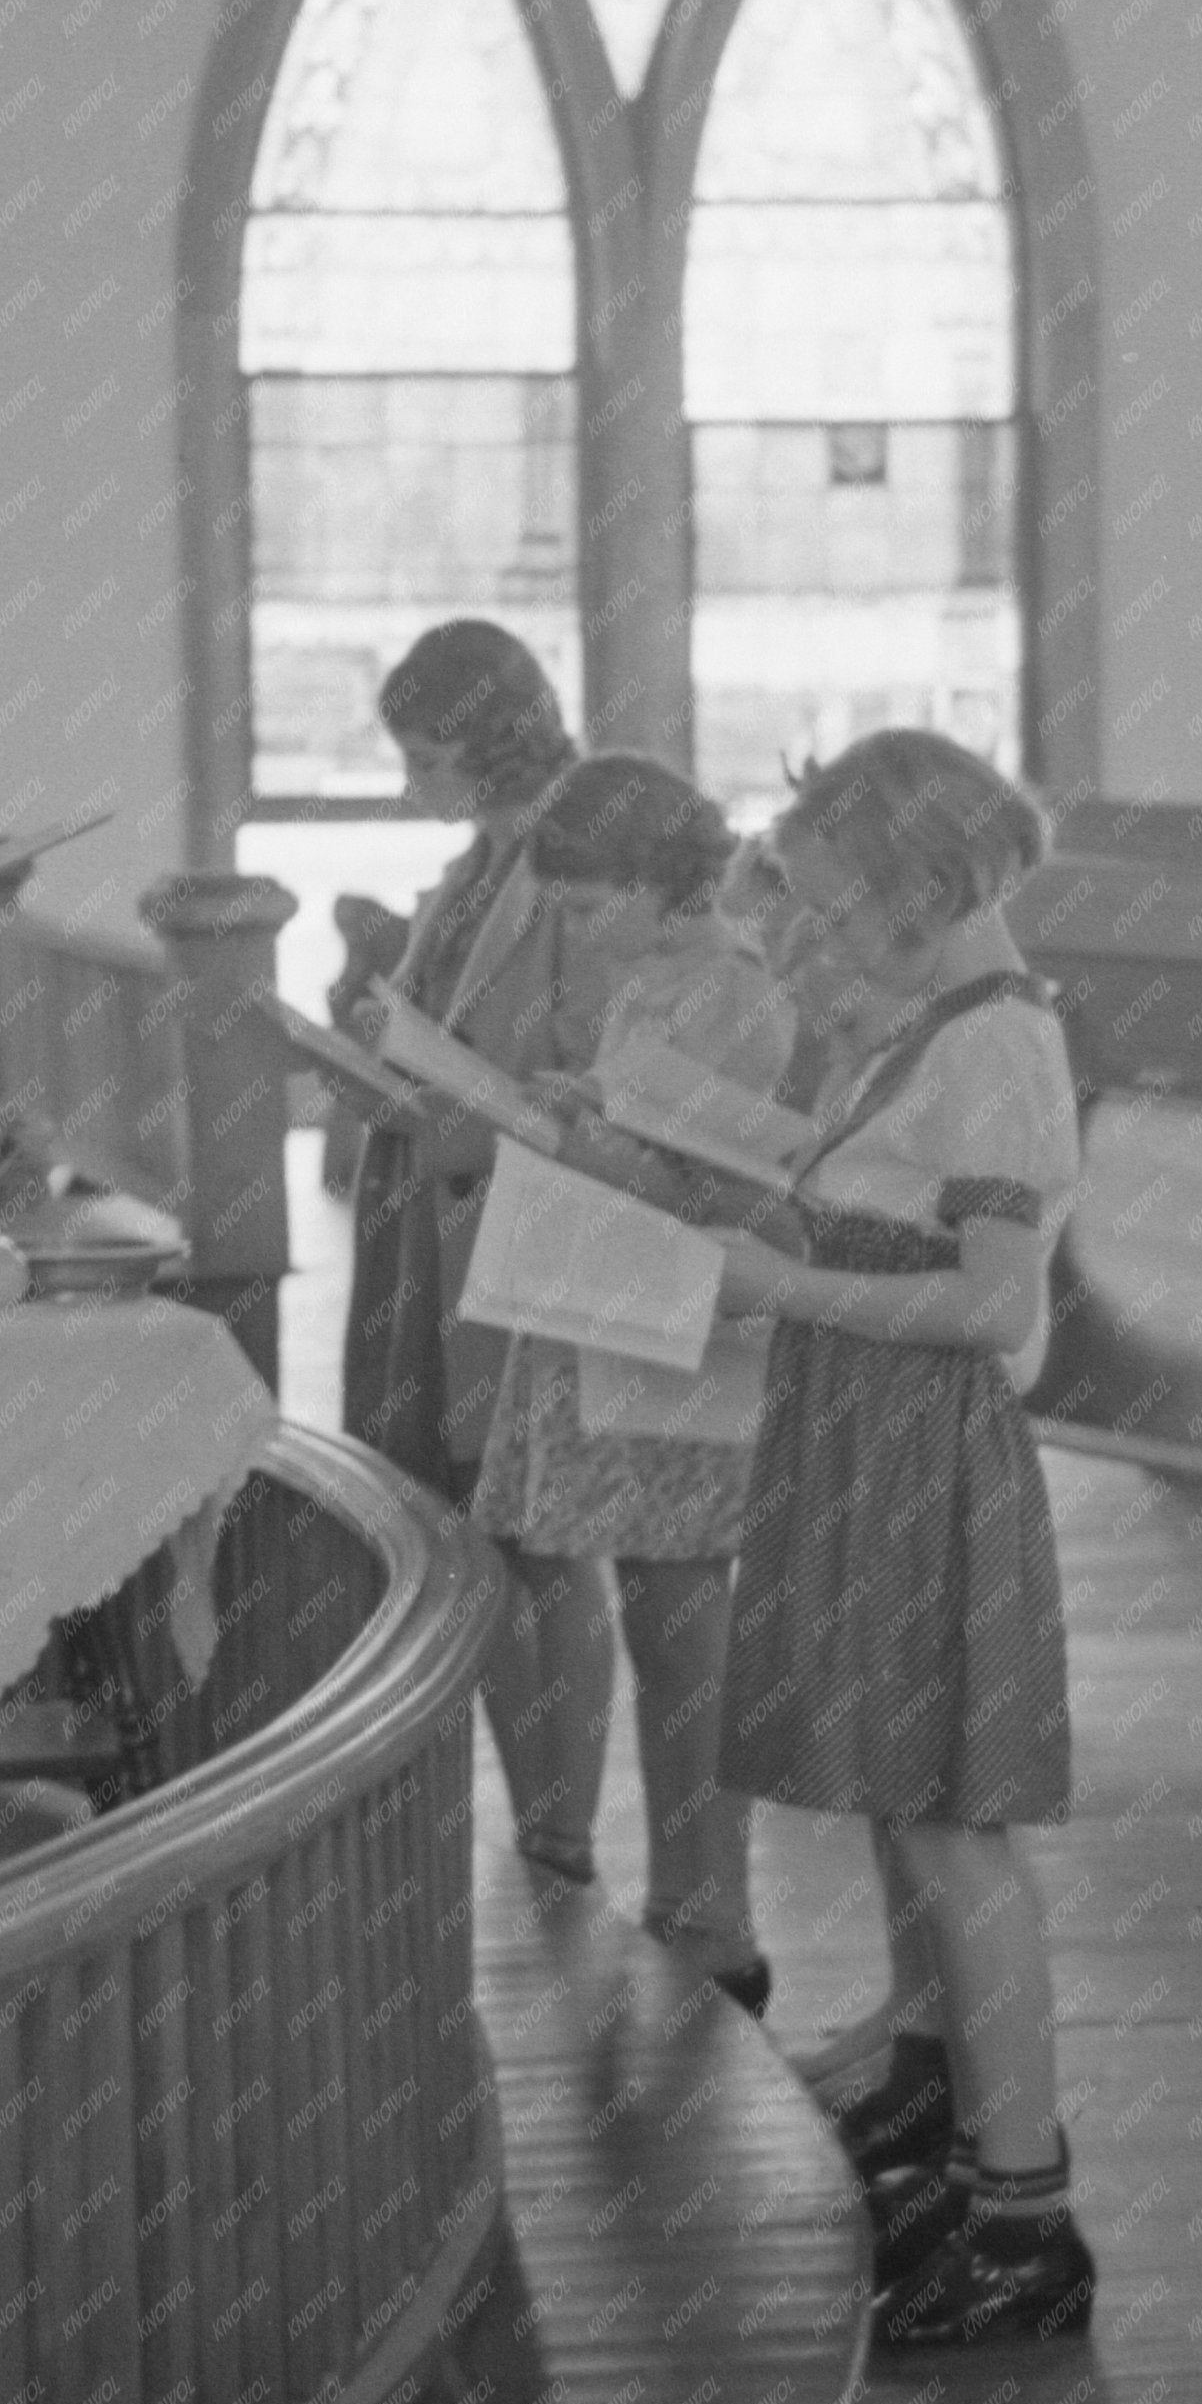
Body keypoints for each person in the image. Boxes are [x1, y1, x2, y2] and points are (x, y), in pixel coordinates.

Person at [711, 731, 1093, 2349]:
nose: (810, 935)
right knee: (896, 1794)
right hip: (862, 1436)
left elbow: (992, 1303)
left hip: (919, 1450)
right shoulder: (937, 1029)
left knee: (951, 1828)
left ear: (915, 884)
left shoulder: (994, 1047)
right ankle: (938, 2111)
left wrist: (780, 1284)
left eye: (827, 902)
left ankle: (1024, 2218)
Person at [464, 756, 796, 2008]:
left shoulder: (738, 991)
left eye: (595, 904)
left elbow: (720, 1181)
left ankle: (709, 1906)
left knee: (686, 1630)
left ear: (671, 883)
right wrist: (580, 1111)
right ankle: (667, 1896)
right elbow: (644, 1133)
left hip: (687, 1340)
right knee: (653, 1612)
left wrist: (578, 1138)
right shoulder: (655, 976)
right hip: (617, 1319)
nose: (576, 931)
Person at [328, 622, 576, 1513]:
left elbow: (582, 1056)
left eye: (428, 760)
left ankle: (517, 1660)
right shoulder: (475, 863)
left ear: (503, 744)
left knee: (521, 1509)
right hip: (423, 1196)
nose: (409, 784)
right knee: (427, 1492)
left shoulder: (574, 869)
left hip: (505, 1193)